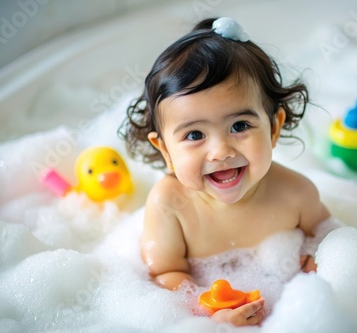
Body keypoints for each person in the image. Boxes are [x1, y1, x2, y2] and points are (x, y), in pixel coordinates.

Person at [120, 17, 330, 326]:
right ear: (165, 150)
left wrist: (318, 261)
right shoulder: (168, 205)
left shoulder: (296, 193)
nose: (220, 152)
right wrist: (208, 312)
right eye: (194, 135)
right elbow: (164, 274)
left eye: (239, 126)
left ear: (274, 129)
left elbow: (327, 237)